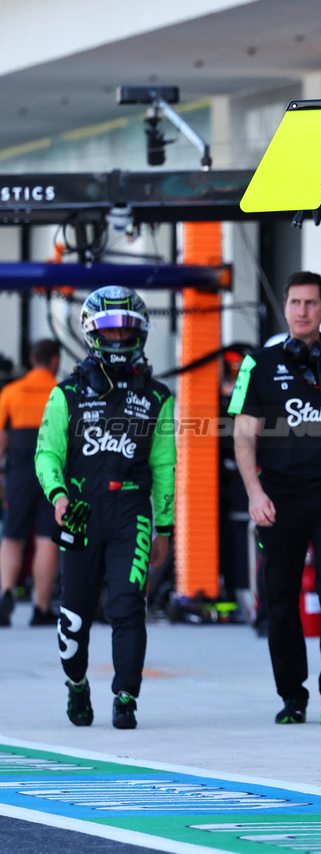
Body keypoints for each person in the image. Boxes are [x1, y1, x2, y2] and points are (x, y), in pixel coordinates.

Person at [228, 271, 321, 726]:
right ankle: (291, 697)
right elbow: (242, 436)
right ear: (286, 306)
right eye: (294, 302)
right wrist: (254, 493)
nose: (302, 311)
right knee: (280, 596)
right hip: (277, 497)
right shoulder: (258, 364)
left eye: (310, 303)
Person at [34, 287, 175, 729]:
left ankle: (125, 698)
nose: (117, 337)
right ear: (92, 333)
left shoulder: (157, 397)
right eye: (108, 329)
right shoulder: (65, 394)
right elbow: (46, 454)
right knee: (73, 613)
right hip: (77, 510)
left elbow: (165, 465)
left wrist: (165, 528)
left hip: (131, 510)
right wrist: (58, 496)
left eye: (125, 329)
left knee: (128, 605)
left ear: (141, 333)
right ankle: (77, 685)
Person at [0, 339, 61, 626]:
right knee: (47, 539)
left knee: (12, 536)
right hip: (53, 473)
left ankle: (6, 593)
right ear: (55, 361)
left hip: (20, 472)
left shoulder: (11, 392)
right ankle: (41, 607)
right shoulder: (61, 392)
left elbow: (1, 439)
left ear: (31, 358)